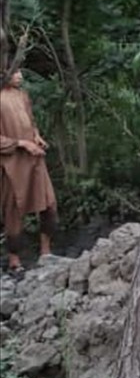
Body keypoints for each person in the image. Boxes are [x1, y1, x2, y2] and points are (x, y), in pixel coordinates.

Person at [1, 68, 58, 276]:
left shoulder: (22, 95)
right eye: (15, 72)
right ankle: (14, 261)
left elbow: (31, 121)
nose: (20, 76)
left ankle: (46, 252)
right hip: (11, 164)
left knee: (49, 203)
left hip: (34, 159)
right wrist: (21, 143)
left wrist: (36, 136)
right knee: (13, 210)